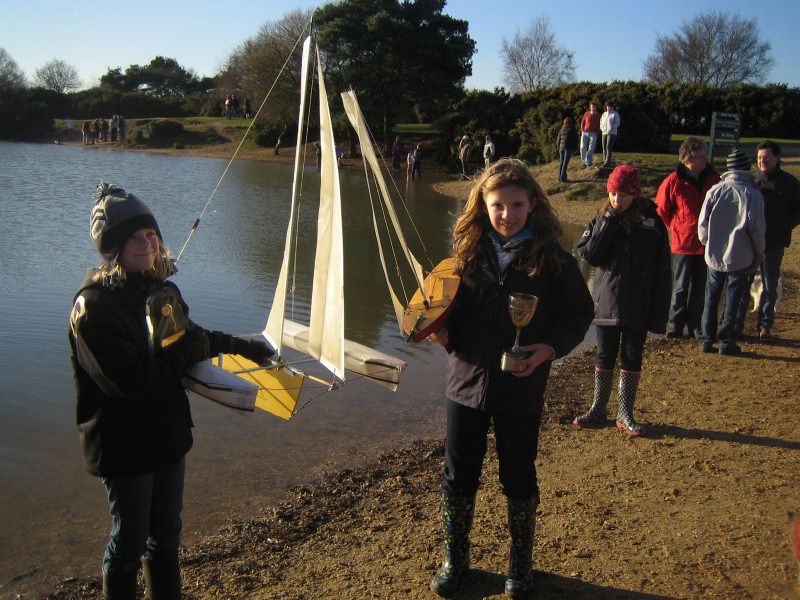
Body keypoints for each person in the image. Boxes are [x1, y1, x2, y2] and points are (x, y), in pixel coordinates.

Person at [68, 183, 275, 600]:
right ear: (111, 248)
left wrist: (245, 347)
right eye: (133, 238)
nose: (146, 244)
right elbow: (134, 385)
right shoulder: (93, 309)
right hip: (125, 444)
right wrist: (188, 354)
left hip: (166, 435)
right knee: (129, 542)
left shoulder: (158, 289)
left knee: (166, 535)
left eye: (150, 235)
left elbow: (191, 337)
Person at [426, 159, 594, 598]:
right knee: (458, 475)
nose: (507, 214)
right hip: (465, 383)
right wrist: (440, 328)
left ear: (533, 203)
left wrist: (550, 349)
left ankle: (520, 566)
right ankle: (455, 558)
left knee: (518, 476)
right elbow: (448, 311)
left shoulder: (555, 260)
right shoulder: (465, 256)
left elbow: (579, 315)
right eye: (498, 205)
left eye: (516, 205)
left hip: (521, 386)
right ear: (483, 204)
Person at [573, 165, 671, 436]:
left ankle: (625, 412)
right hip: (606, 302)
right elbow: (589, 256)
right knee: (604, 354)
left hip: (638, 303)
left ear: (635, 194)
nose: (617, 200)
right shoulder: (602, 217)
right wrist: (608, 223)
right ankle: (598, 407)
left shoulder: (653, 222)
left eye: (623, 195)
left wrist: (659, 312)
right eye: (613, 193)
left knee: (632, 355)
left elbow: (663, 269)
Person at [697, 149, 765, 356]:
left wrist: (707, 242)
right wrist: (758, 254)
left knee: (711, 297)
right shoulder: (753, 195)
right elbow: (757, 230)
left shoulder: (715, 191)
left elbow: (702, 225)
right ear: (746, 169)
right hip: (741, 254)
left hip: (714, 253)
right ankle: (726, 341)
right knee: (733, 298)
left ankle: (706, 339)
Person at [656, 137, 721, 338]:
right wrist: (678, 227)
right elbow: (662, 210)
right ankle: (675, 324)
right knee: (681, 286)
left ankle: (695, 324)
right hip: (682, 243)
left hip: (707, 243)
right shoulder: (673, 182)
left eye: (706, 155)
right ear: (689, 158)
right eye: (702, 156)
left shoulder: (714, 178)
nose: (706, 160)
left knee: (701, 286)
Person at [735, 140, 800, 339]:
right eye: (759, 158)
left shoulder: (790, 183)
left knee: (770, 286)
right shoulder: (752, 181)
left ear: (777, 158)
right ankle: (738, 325)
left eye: (767, 157)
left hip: (774, 243)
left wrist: (786, 226)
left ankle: (765, 326)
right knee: (744, 285)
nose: (763, 161)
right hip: (750, 244)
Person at [556, 117, 578, 183]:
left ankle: (560, 177)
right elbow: (575, 139)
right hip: (568, 148)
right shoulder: (571, 129)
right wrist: (575, 148)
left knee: (561, 163)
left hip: (561, 147)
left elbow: (558, 139)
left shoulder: (561, 129)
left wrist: (558, 146)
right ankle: (563, 178)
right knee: (565, 163)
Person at [579, 102, 601, 167]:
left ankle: (589, 161)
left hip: (593, 133)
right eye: (592, 107)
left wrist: (597, 132)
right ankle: (583, 161)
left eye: (594, 107)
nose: (593, 108)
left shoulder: (599, 115)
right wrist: (582, 129)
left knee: (591, 147)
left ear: (596, 107)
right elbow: (583, 121)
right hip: (585, 132)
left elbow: (600, 125)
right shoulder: (587, 113)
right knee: (583, 146)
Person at [599, 101, 620, 167]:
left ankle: (608, 161)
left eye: (610, 106)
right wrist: (602, 128)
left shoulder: (615, 114)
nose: (609, 108)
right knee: (604, 147)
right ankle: (605, 160)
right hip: (604, 132)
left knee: (608, 146)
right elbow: (601, 122)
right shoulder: (604, 114)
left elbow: (617, 123)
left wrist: (612, 127)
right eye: (608, 106)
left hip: (612, 133)